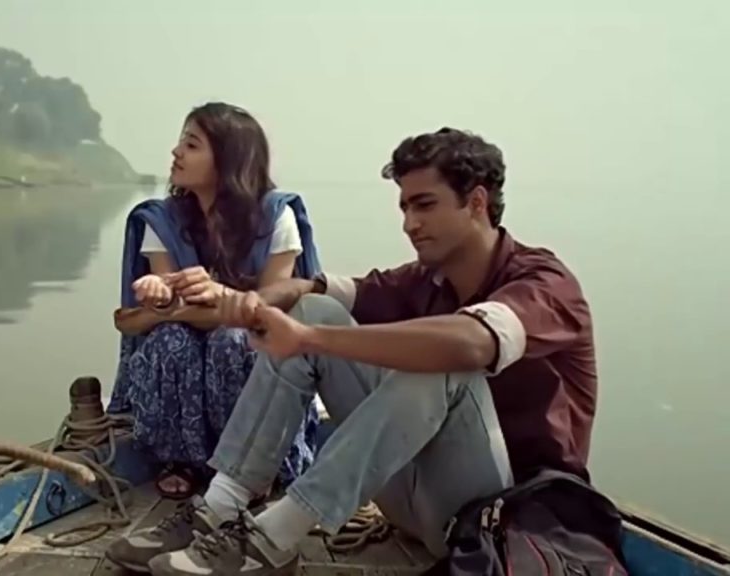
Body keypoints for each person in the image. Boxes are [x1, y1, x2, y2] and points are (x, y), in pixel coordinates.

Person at [106, 127, 599, 575]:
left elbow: (471, 343)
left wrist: (308, 340)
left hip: (500, 518)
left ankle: (272, 539)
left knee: (442, 361)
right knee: (315, 309)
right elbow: (320, 288)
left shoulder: (545, 285)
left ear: (476, 202)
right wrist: (247, 302)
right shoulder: (425, 279)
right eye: (404, 208)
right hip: (415, 501)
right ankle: (217, 510)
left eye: (424, 205)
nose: (409, 224)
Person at [107, 102, 324, 500]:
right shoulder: (161, 220)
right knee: (169, 340)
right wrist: (158, 297)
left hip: (249, 338)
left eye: (191, 145)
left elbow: (271, 310)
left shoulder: (276, 218)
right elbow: (160, 311)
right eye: (181, 142)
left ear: (228, 160)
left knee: (233, 340)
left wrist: (218, 300)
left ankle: (252, 465)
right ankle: (181, 460)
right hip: (184, 335)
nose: (176, 152)